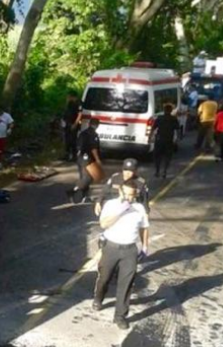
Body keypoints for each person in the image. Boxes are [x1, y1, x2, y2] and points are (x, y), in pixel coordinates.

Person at [92, 180, 151, 331]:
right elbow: (103, 224)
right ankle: (99, 298)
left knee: (126, 283)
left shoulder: (139, 208)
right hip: (111, 247)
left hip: (129, 250)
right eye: (128, 195)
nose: (131, 198)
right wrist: (121, 211)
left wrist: (144, 246)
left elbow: (144, 228)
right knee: (104, 277)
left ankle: (120, 316)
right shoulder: (111, 205)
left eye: (133, 195)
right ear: (121, 192)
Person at [71, 118, 102, 204]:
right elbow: (93, 148)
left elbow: (77, 146)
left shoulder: (82, 133)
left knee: (84, 177)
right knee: (88, 178)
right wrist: (98, 160)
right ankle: (75, 190)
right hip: (88, 158)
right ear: (97, 125)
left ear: (89, 124)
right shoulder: (93, 134)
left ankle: (85, 196)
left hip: (80, 158)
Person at [152, 103, 180, 178]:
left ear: (164, 110)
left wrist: (149, 137)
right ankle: (164, 171)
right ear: (171, 111)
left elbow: (153, 127)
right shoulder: (173, 119)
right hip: (168, 140)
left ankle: (157, 171)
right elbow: (177, 129)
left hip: (159, 139)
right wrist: (177, 139)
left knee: (157, 156)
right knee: (167, 156)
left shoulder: (159, 118)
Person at [62, 93, 82, 162]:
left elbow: (79, 114)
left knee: (73, 140)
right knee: (67, 140)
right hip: (67, 124)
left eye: (69, 97)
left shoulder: (78, 103)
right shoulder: (69, 104)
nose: (67, 98)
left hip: (73, 124)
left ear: (72, 96)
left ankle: (74, 156)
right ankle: (67, 155)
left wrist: (75, 124)